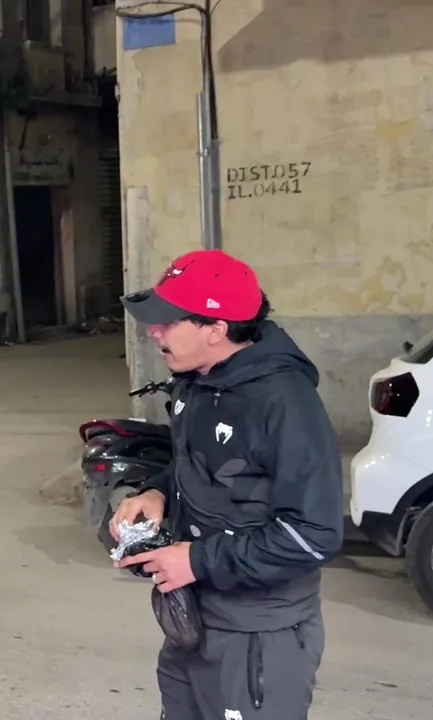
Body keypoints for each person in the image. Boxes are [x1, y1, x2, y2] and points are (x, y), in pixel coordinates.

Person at [109, 249, 344, 719]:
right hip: (192, 620)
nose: (153, 332)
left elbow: (314, 534)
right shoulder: (196, 382)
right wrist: (157, 494)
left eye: (168, 321)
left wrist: (197, 559)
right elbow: (204, 466)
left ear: (216, 330)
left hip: (259, 636)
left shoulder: (285, 403)